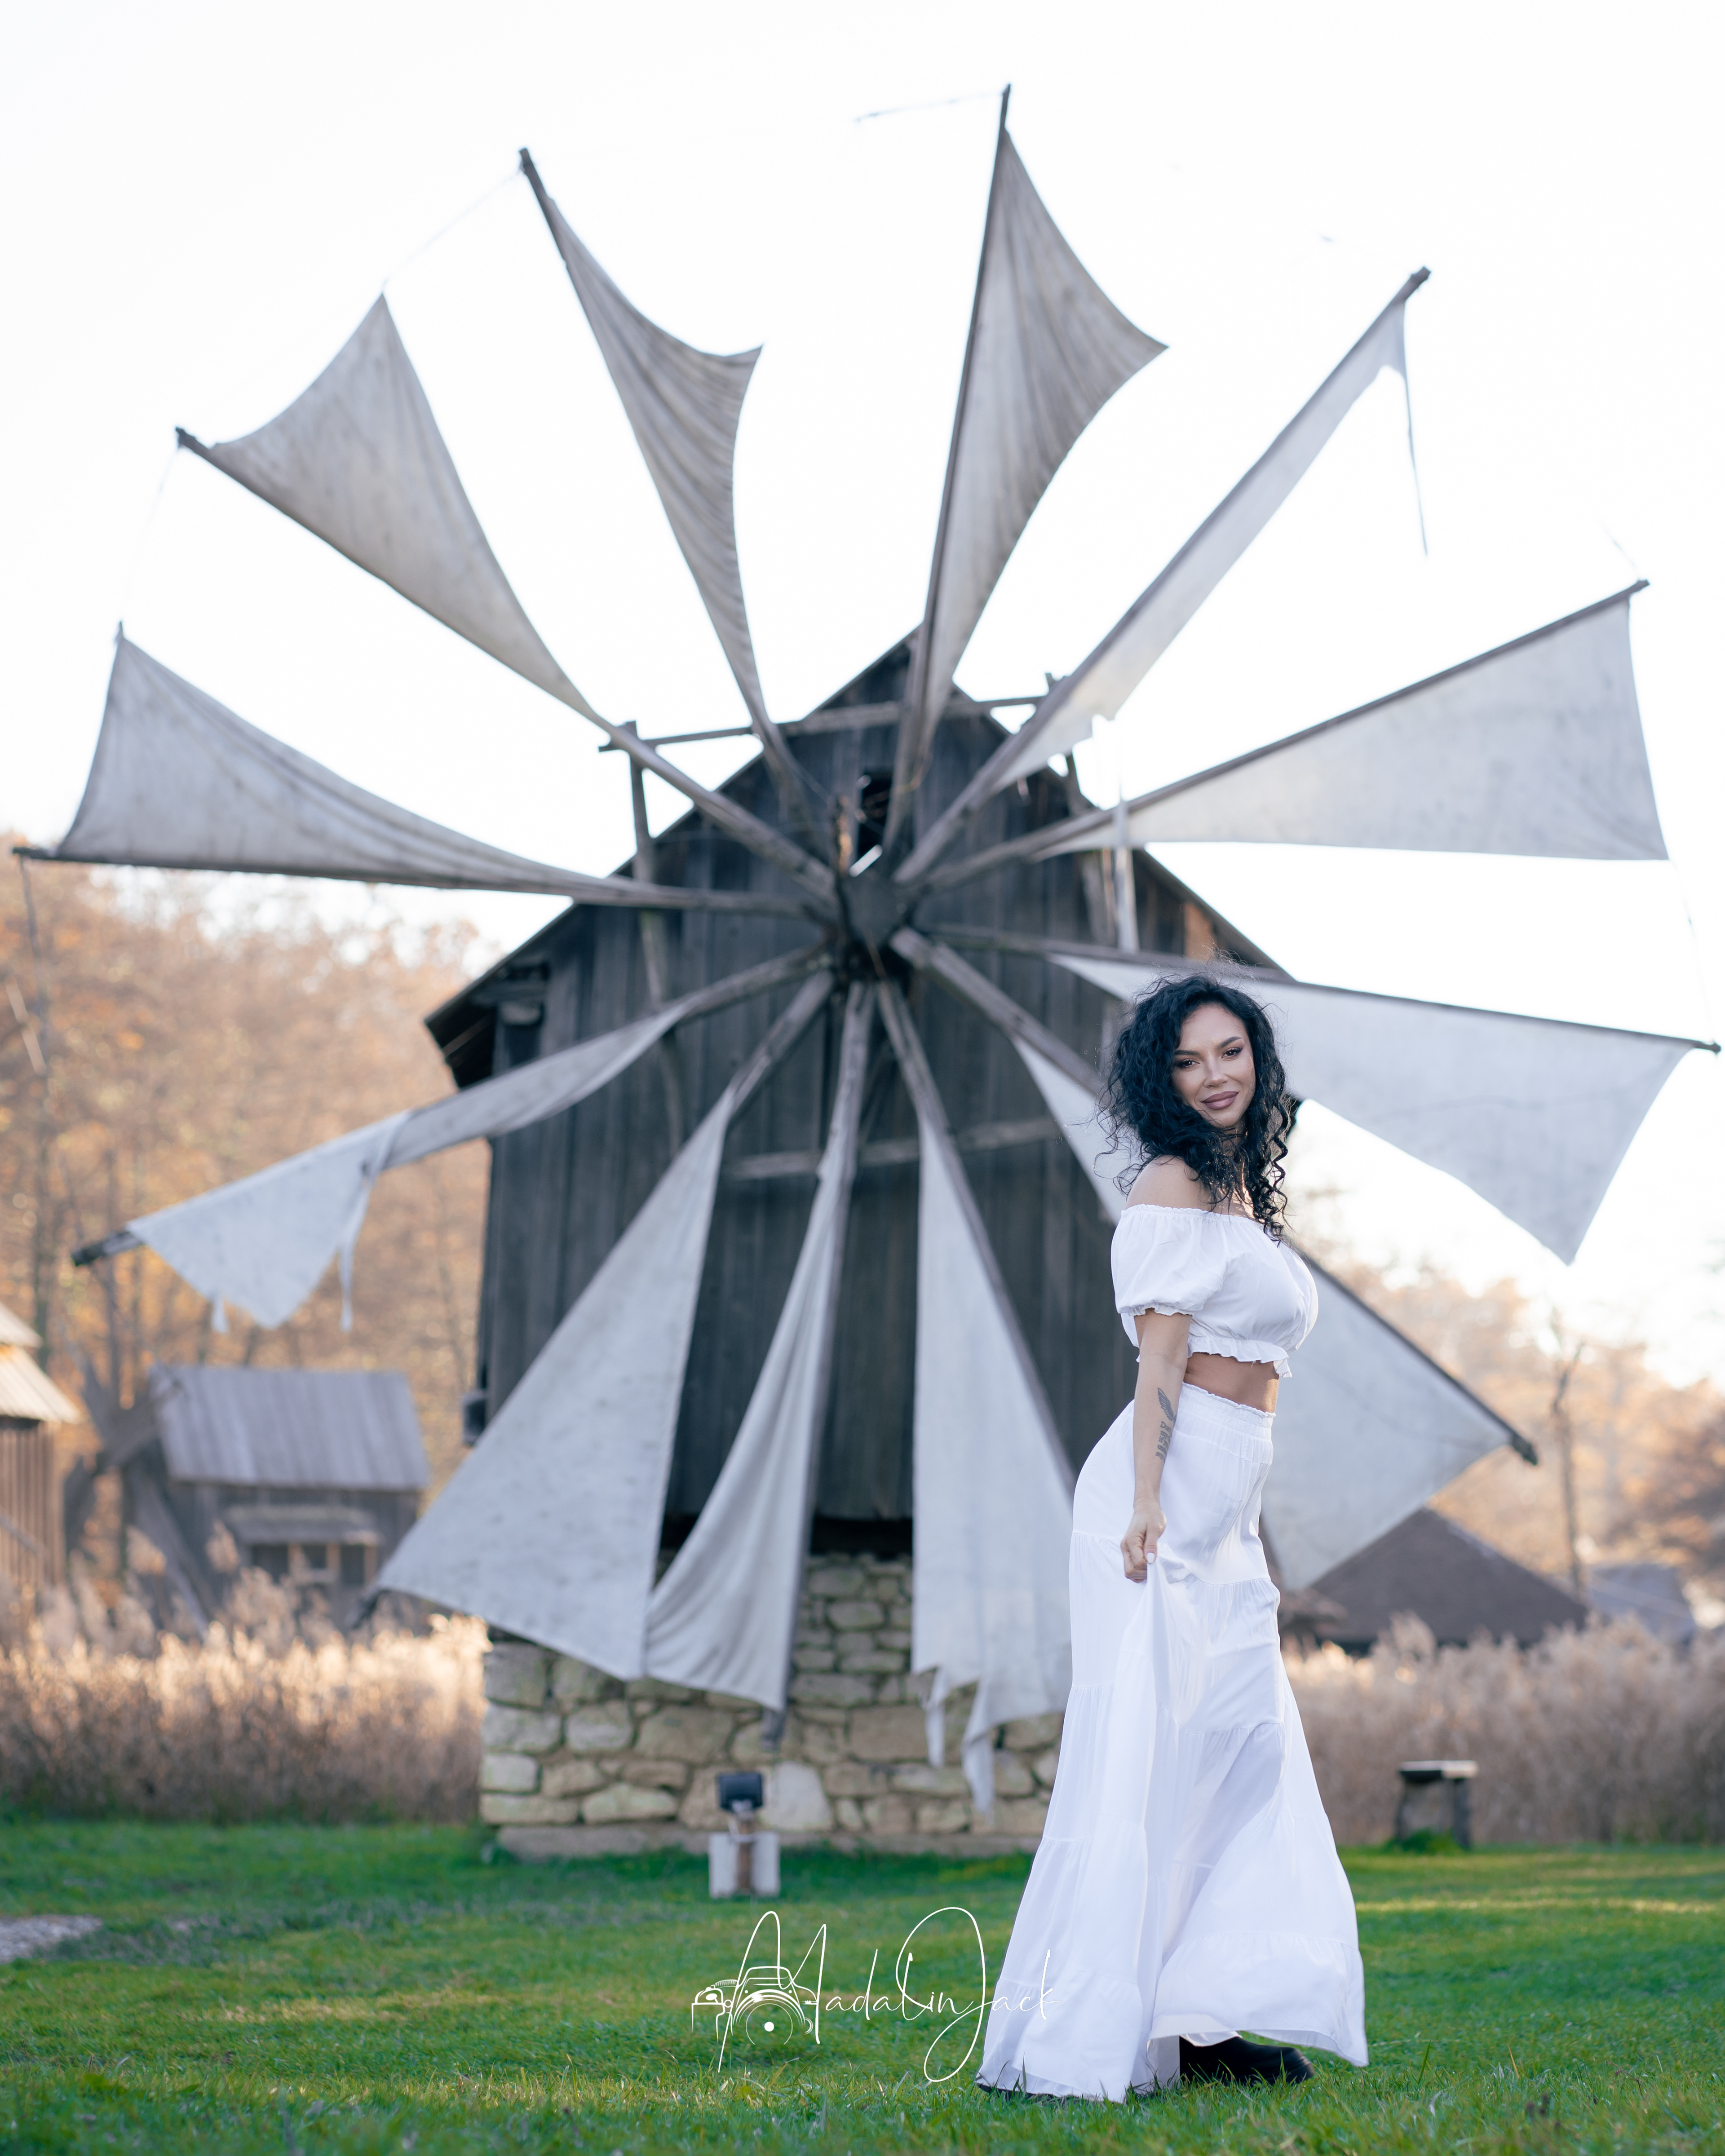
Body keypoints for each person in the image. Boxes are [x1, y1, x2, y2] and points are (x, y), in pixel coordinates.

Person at [977, 976, 1367, 2101]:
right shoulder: (1172, 1183)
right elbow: (1161, 1359)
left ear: (1258, 1060)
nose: (1215, 1075)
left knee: (1239, 1754)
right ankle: (1110, 2025)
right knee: (1155, 1753)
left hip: (1225, 1513)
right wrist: (1148, 1501)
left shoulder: (1238, 1189)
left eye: (1230, 1052)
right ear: (1164, 1078)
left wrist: (1228, 1521)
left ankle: (1206, 2011)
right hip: (1160, 1500)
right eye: (1190, 1061)